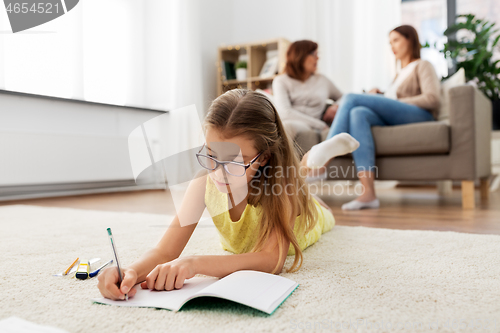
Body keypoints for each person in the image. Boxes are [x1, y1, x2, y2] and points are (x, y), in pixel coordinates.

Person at [96, 89, 359, 300]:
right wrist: (131, 271)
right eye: (211, 156)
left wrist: (194, 263)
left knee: (304, 187)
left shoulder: (281, 190)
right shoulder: (202, 186)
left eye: (234, 161)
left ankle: (319, 154)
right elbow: (165, 250)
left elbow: (272, 260)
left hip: (308, 216)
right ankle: (313, 158)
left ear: (263, 157)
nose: (219, 172)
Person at [301, 25, 441, 211]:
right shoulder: (399, 74)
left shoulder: (422, 65)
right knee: (357, 113)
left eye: (396, 40)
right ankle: (368, 194)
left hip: (420, 115)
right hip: (399, 114)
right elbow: (392, 100)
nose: (392, 46)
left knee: (351, 98)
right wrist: (382, 94)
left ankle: (321, 164)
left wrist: (391, 99)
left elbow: (432, 98)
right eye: (390, 42)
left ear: (411, 40)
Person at [272, 40, 343, 139]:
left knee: (286, 127)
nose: (317, 58)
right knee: (286, 126)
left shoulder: (322, 80)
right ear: (300, 56)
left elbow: (344, 97)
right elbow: (285, 113)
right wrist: (320, 125)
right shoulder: (281, 81)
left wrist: (336, 106)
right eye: (313, 54)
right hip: (298, 123)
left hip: (310, 126)